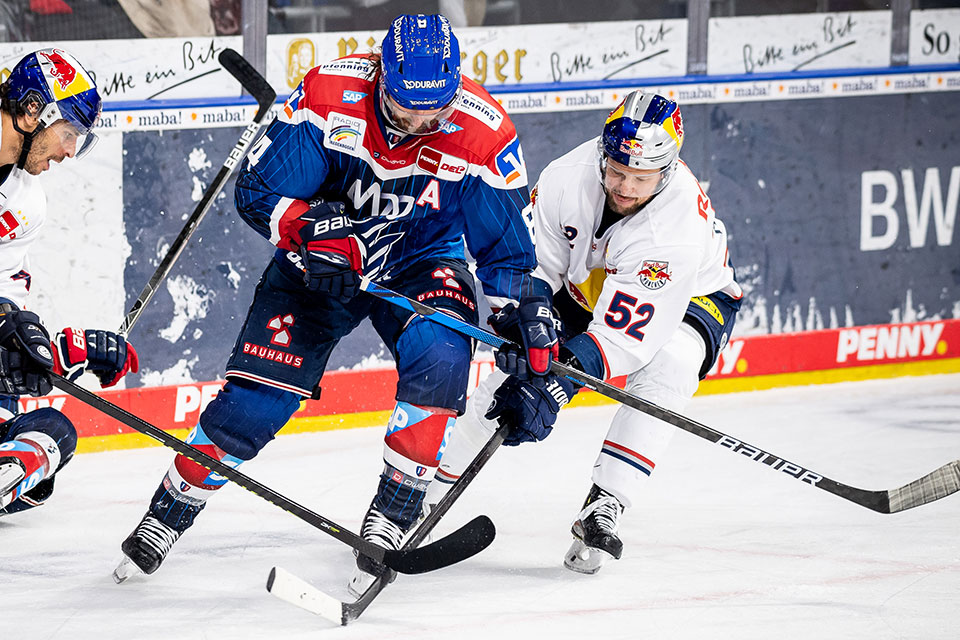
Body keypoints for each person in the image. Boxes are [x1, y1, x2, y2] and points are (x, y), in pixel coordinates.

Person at [114, 14, 553, 596]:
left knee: (441, 355)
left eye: (436, 111)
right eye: (405, 109)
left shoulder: (485, 133)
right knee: (253, 404)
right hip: (321, 263)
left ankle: (394, 512)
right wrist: (311, 229)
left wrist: (522, 315)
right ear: (379, 78)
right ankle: (168, 512)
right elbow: (257, 191)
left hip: (422, 261)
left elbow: (507, 254)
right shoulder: (328, 96)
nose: (421, 125)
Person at [426, 91, 743, 574]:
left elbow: (623, 339)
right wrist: (516, 325)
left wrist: (556, 383)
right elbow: (528, 269)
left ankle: (606, 502)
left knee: (670, 367)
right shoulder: (566, 178)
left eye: (641, 178)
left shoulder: (675, 228)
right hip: (586, 285)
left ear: (669, 168)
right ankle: (425, 498)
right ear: (603, 152)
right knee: (507, 385)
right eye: (616, 170)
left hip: (691, 299)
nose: (625, 187)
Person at [0, 48, 139, 516]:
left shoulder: (26, 203)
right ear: (31, 111)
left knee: (53, 432)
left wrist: (59, 349)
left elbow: (6, 319)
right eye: (67, 134)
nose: (68, 151)